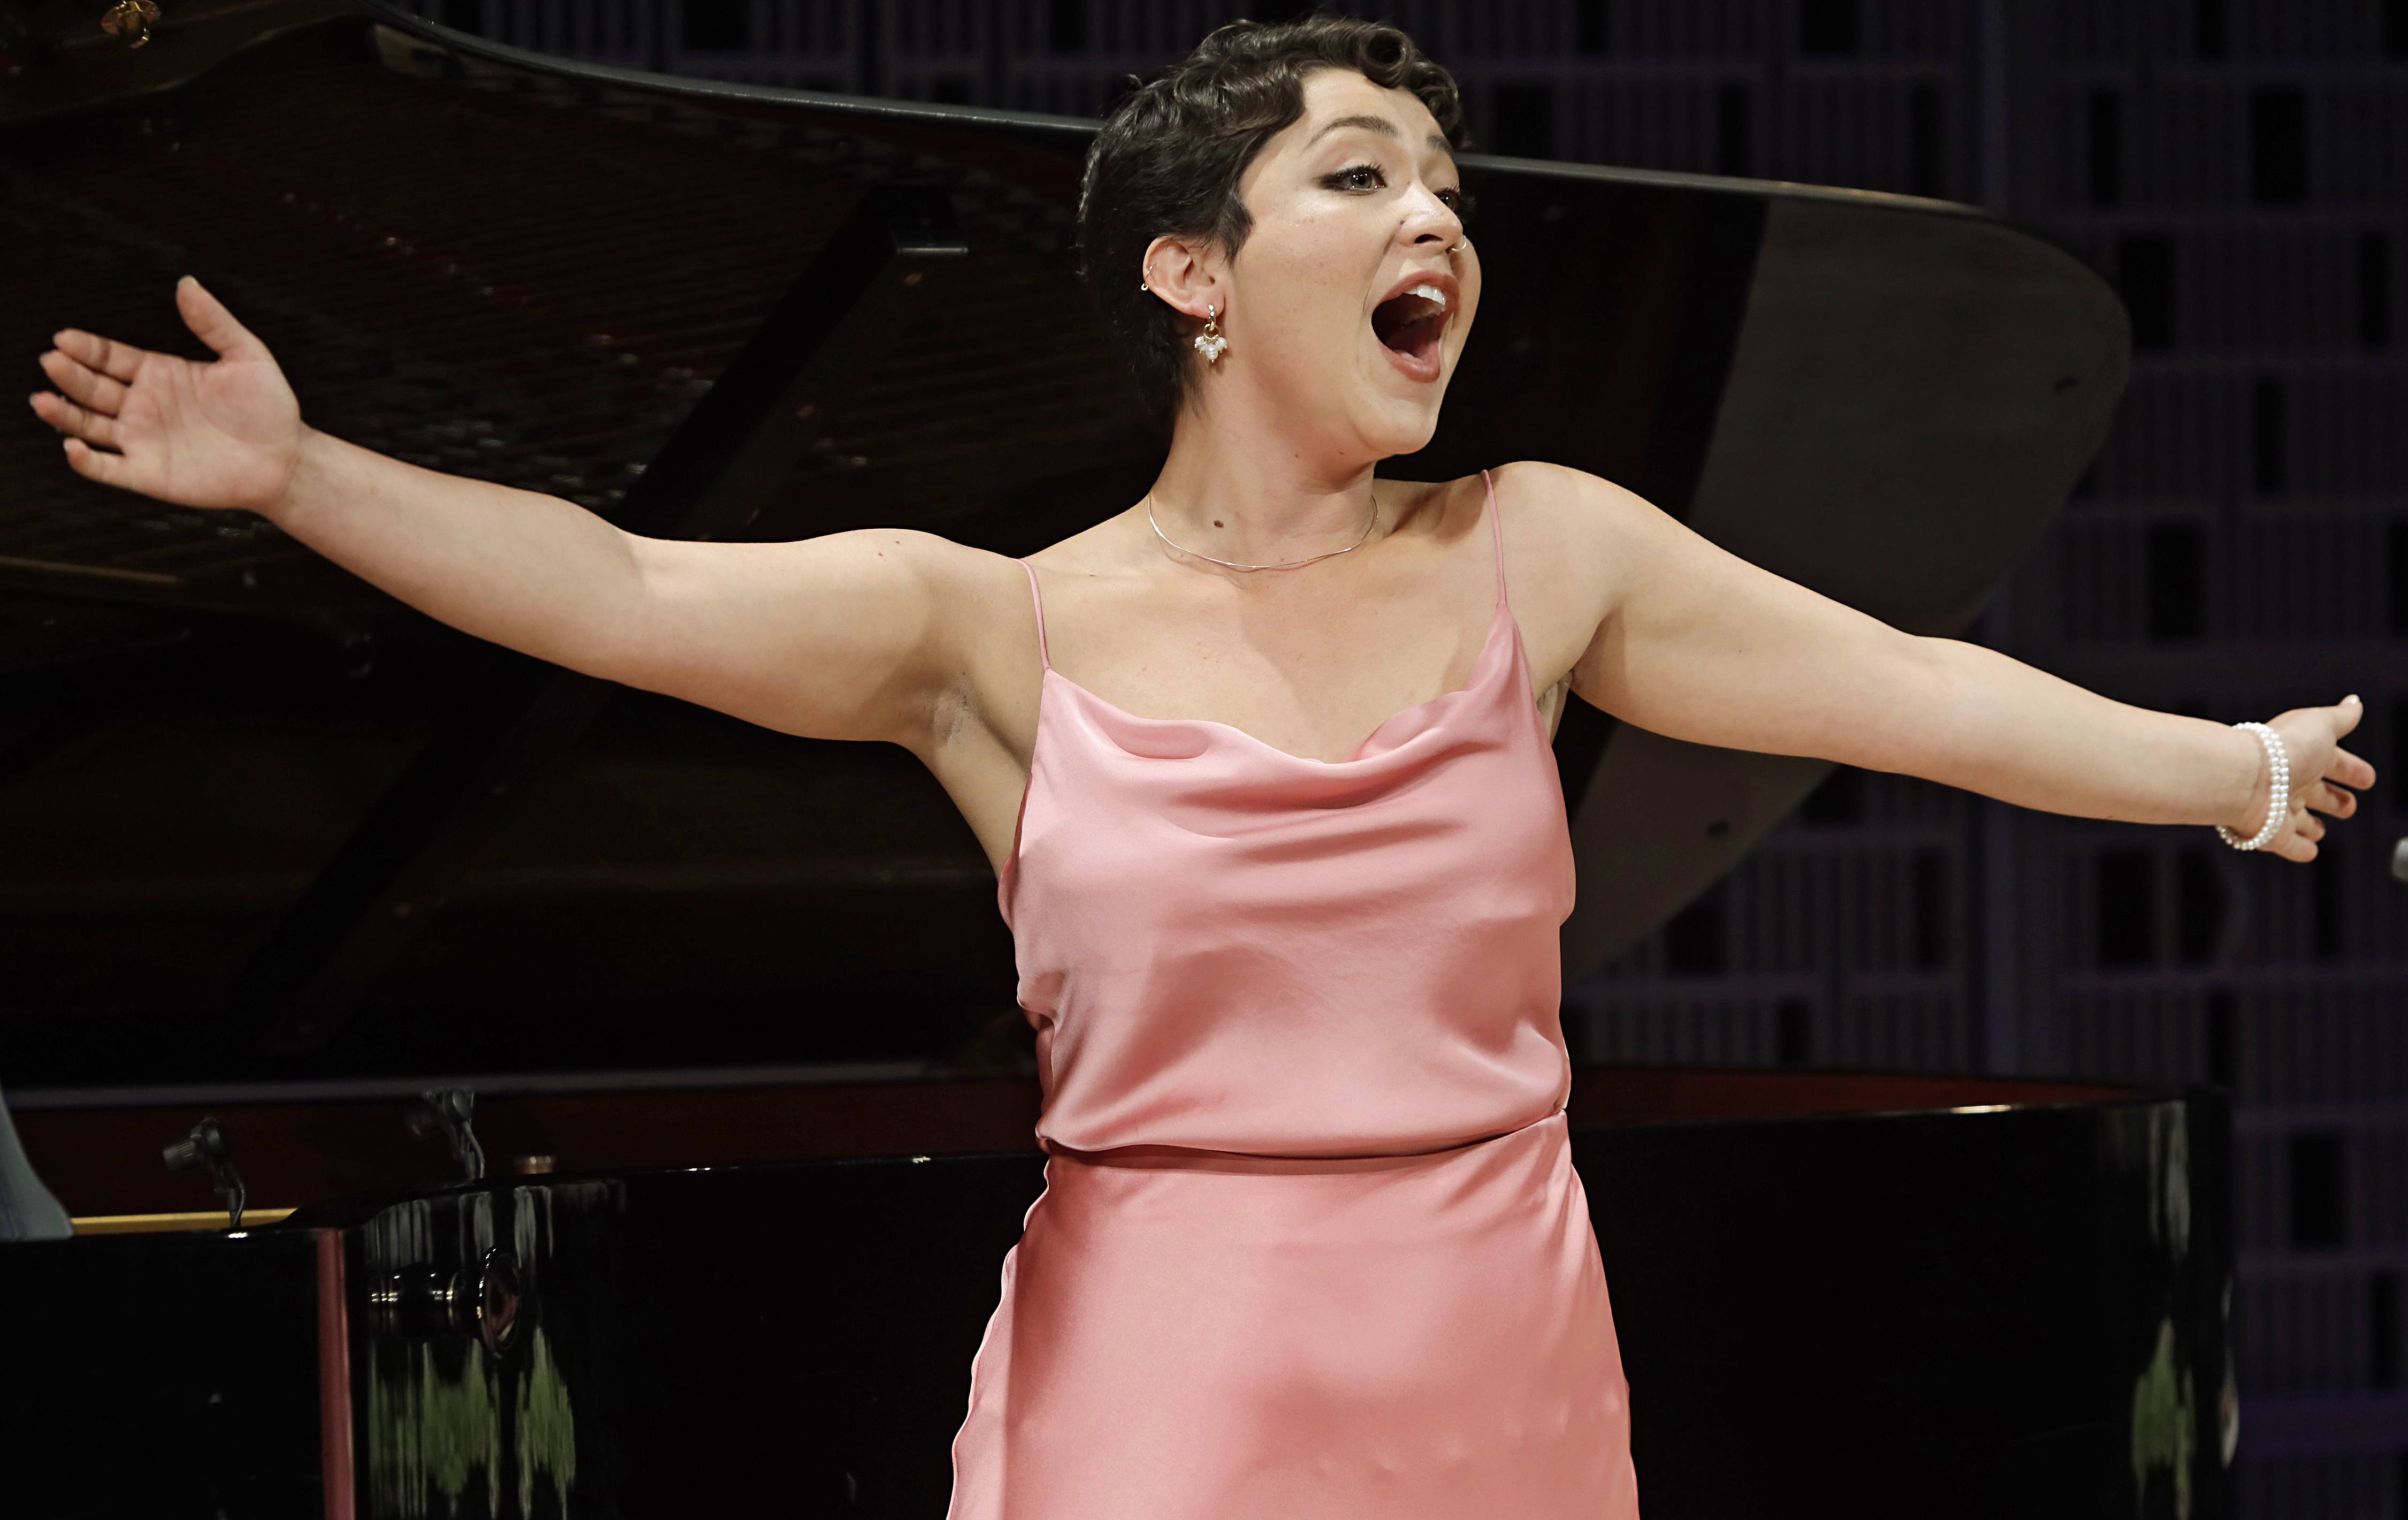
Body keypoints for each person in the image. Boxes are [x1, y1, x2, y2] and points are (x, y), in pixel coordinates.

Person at [27, 16, 2371, 1519]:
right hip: (1165, 1375)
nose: (1431, 214)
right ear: (1194, 276)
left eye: (1443, 185)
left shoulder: (1546, 551)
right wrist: (300, 476)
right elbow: (618, 588)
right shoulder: (992, 629)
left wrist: (2231, 770)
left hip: (1502, 1361)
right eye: (1356, 176)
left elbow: (1904, 689)